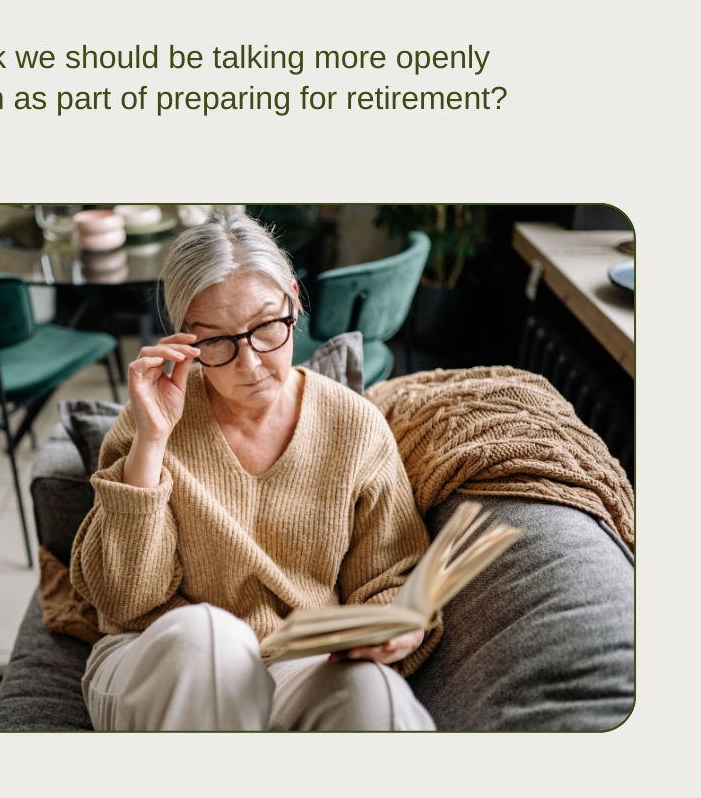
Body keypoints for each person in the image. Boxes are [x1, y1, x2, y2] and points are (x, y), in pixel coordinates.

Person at [70, 211, 438, 731]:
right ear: (183, 339)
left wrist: (398, 626)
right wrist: (152, 441)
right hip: (156, 654)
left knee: (373, 693)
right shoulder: (149, 422)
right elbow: (125, 599)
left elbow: (390, 578)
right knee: (209, 638)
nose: (249, 363)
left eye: (266, 326)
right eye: (216, 341)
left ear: (293, 300)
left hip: (296, 664)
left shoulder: (354, 426)